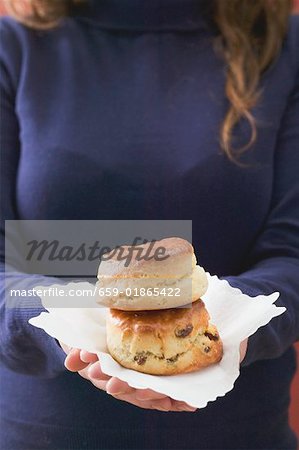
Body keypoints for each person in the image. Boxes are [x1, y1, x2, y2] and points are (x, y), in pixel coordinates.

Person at [0, 0, 298, 449]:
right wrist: (63, 324)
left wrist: (235, 331)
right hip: (39, 433)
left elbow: (292, 251)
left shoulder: (282, 46)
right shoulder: (14, 45)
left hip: (239, 433)